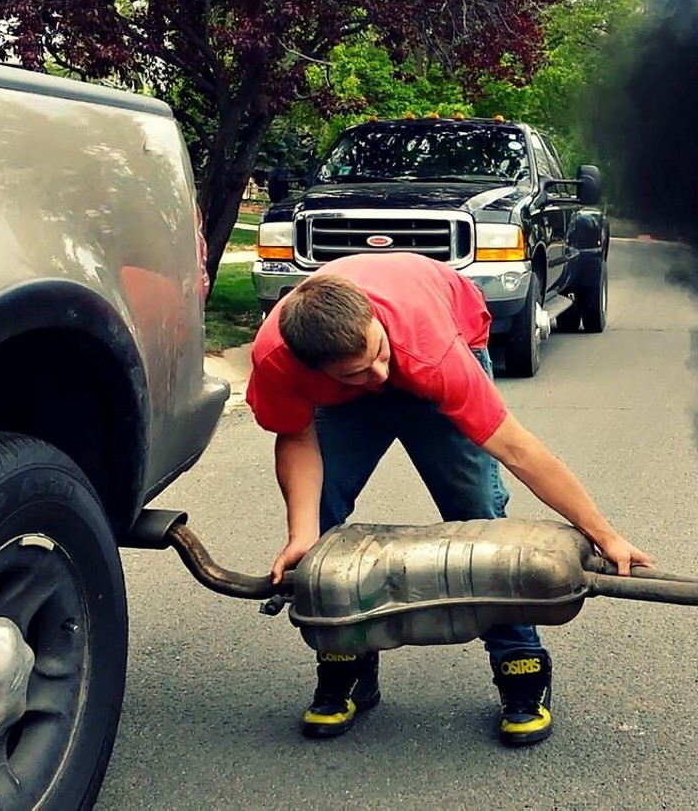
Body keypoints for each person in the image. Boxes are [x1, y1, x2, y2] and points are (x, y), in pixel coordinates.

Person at [244, 251, 654, 747]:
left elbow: (520, 452)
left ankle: (519, 661)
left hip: (437, 344)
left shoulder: (427, 349)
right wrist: (302, 536)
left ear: (375, 318)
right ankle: (344, 654)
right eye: (356, 372)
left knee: (478, 515)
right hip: (346, 397)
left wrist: (604, 535)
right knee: (320, 534)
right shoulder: (276, 359)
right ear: (312, 366)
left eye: (376, 353)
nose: (377, 377)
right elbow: (297, 437)